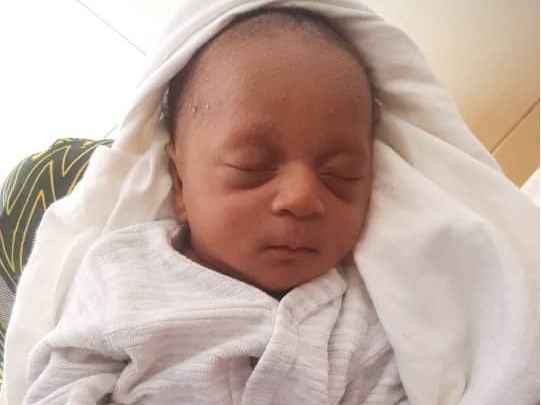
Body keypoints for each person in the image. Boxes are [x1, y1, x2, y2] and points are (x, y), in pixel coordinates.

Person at [2, 1, 539, 405]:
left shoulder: (367, 313)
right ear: (179, 183)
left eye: (342, 176)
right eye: (251, 167)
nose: (304, 197)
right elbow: (60, 379)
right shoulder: (123, 271)